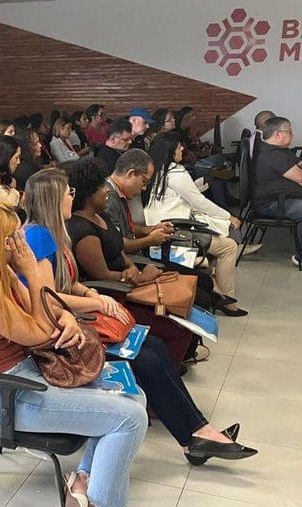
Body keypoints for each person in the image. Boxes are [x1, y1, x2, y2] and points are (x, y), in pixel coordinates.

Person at [0, 200, 148, 507]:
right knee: (129, 419)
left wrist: (67, 318)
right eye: (16, 236)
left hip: (29, 371)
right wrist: (34, 271)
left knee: (134, 397)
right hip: (5, 393)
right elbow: (39, 332)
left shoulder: (4, 277)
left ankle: (82, 483)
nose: (23, 242)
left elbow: (48, 311)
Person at [22, 169, 257, 464]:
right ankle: (195, 436)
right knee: (147, 358)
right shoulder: (38, 236)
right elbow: (47, 298)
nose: (72, 196)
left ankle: (198, 433)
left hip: (71, 317)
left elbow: (67, 283)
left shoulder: (56, 233)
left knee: (154, 346)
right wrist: (95, 303)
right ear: (52, 198)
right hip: (58, 333)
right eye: (68, 192)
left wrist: (91, 293)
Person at [64, 158, 194, 369]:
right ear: (89, 193)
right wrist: (140, 277)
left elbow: (119, 249)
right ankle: (168, 371)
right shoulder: (83, 231)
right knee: (176, 329)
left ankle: (169, 368)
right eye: (101, 186)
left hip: (130, 281)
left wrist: (132, 267)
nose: (107, 189)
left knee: (183, 314)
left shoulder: (100, 215)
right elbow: (102, 276)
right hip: (116, 293)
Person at [145, 134, 246, 316]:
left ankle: (216, 292)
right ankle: (226, 300)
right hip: (176, 231)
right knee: (229, 247)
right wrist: (228, 216)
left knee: (218, 239)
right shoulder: (175, 172)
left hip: (156, 229)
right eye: (178, 147)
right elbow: (199, 202)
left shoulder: (152, 170)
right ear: (170, 151)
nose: (182, 149)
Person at [103, 150, 214, 312]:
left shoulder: (117, 193)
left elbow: (128, 228)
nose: (144, 188)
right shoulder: (109, 199)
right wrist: (150, 240)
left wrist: (151, 229)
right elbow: (118, 243)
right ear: (131, 174)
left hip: (135, 259)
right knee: (201, 293)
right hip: (131, 264)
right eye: (144, 181)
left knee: (204, 282)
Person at [252, 116, 302, 267]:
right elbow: (300, 178)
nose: (292, 134)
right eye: (289, 131)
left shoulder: (277, 150)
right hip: (271, 204)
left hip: (279, 198)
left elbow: (298, 164)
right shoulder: (274, 155)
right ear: (278, 134)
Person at [13, 126, 43, 191]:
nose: (40, 145)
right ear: (26, 146)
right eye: (35, 143)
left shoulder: (29, 162)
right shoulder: (25, 169)